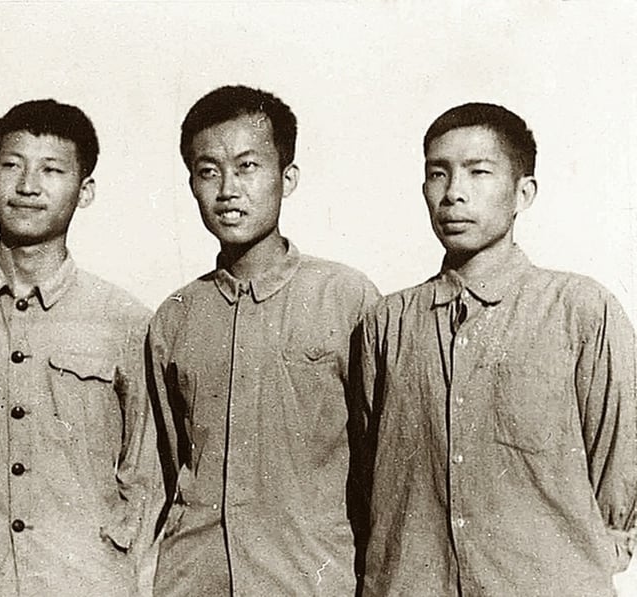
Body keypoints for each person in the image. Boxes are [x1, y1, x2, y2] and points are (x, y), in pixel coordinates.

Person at [358, 102, 637, 596]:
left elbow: (618, 463)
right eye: (437, 174)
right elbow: (365, 474)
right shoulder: (388, 322)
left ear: (522, 193)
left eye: (478, 172)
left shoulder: (579, 310)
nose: (453, 193)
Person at [0, 99, 158, 596]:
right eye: (12, 166)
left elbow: (145, 484)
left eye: (51, 170)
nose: (27, 186)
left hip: (87, 584)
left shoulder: (127, 321)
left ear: (84, 190)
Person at [146, 84, 379, 596]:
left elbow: (377, 464)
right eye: (208, 171)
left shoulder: (346, 298)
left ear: (287, 177)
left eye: (247, 166)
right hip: (194, 579)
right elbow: (166, 465)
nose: (227, 189)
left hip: (309, 579)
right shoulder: (175, 318)